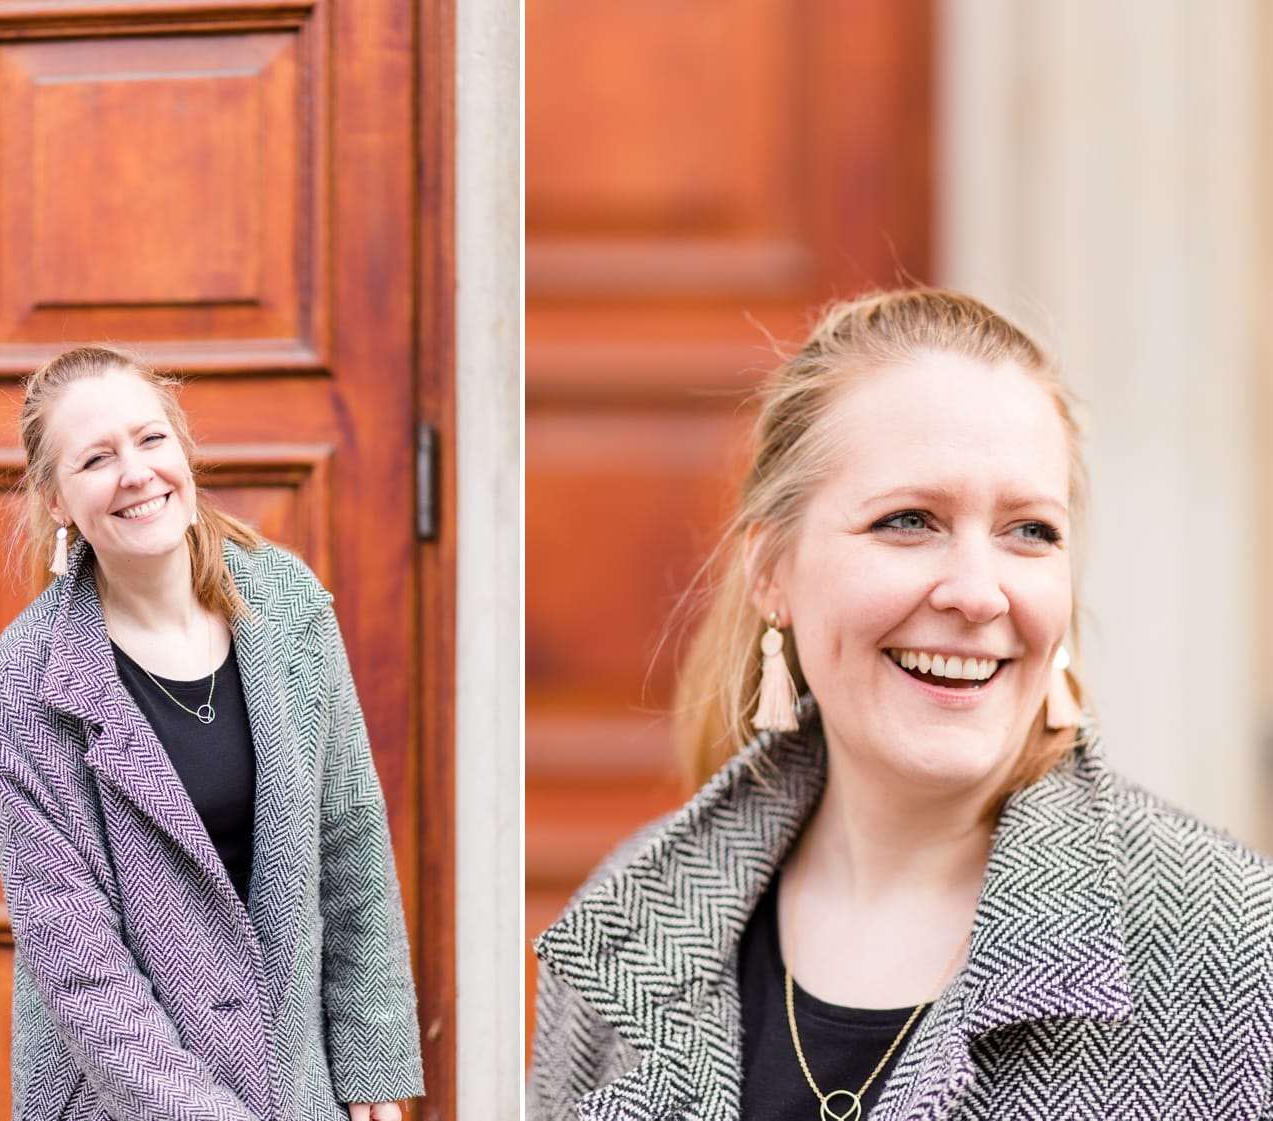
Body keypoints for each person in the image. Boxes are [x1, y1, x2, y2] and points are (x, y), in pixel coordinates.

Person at [526, 289, 1273, 1119]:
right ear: (772, 570)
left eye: (1030, 530)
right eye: (909, 520)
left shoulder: (1230, 945)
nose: (978, 593)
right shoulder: (631, 922)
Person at [0, 345, 422, 1121]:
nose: (136, 473)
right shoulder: (27, 675)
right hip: (119, 1101)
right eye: (96, 458)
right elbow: (81, 970)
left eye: (151, 439)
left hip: (296, 1089)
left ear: (182, 449)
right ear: (57, 501)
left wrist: (373, 1070)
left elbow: (350, 844)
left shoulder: (287, 603)